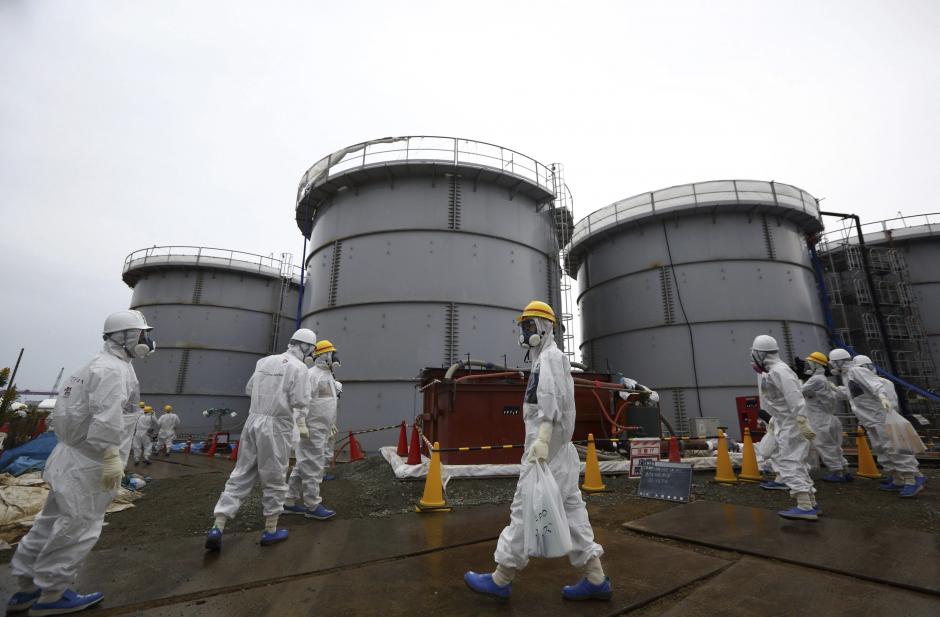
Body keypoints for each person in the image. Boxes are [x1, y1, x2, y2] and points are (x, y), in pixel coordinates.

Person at [7, 310, 154, 615]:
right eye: (141, 335)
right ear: (125, 336)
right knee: (80, 526)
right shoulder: (113, 370)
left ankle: (25, 589)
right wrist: (112, 456)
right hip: (91, 461)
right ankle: (53, 595)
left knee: (49, 522)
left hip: (72, 455)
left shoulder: (96, 364)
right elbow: (106, 418)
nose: (147, 341)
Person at [464, 301, 610, 602]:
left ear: (544, 328)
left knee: (524, 509)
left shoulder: (551, 359)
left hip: (545, 455)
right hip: (560, 455)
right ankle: (596, 578)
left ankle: (501, 577)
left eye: (530, 326)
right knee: (572, 514)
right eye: (523, 326)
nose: (525, 332)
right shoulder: (545, 358)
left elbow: (549, 404)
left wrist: (541, 444)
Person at [205, 329, 315, 551]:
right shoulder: (299, 368)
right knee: (274, 477)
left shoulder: (264, 361)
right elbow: (300, 401)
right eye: (311, 349)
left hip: (253, 422)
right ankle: (271, 530)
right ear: (305, 347)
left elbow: (249, 388)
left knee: (241, 473)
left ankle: (218, 525)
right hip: (276, 426)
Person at [828, 350, 925, 498]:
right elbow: (852, 395)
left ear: (839, 361)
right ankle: (898, 479)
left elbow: (875, 384)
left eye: (833, 362)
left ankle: (911, 480)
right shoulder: (847, 376)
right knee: (882, 449)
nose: (831, 365)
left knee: (893, 448)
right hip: (869, 419)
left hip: (880, 417)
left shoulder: (856, 370)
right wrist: (834, 389)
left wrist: (882, 397)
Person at [750, 335, 819, 520]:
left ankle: (804, 506)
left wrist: (801, 419)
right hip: (786, 421)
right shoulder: (774, 371)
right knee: (797, 461)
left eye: (753, 354)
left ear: (760, 353)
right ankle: (810, 501)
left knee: (789, 461)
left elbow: (793, 396)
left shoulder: (779, 371)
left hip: (792, 422)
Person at [284, 340, 340, 520]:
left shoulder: (328, 376)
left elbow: (326, 404)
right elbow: (301, 402)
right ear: (324, 355)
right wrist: (300, 425)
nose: (335, 357)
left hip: (321, 429)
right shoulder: (311, 375)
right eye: (332, 353)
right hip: (311, 430)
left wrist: (330, 423)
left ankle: (289, 501)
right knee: (314, 467)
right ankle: (312, 505)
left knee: (302, 465)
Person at [801, 352, 851, 482]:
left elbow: (799, 391)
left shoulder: (816, 379)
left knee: (824, 445)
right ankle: (844, 469)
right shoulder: (823, 380)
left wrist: (796, 378)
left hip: (820, 419)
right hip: (829, 418)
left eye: (809, 363)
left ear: (816, 364)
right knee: (834, 446)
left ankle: (837, 473)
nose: (807, 366)